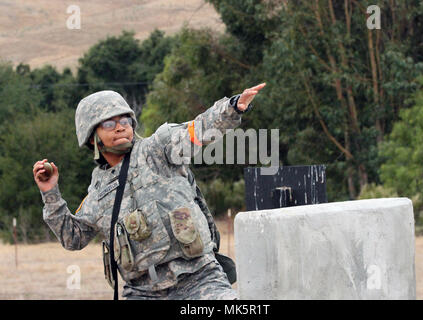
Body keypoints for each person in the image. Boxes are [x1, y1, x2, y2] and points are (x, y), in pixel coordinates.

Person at [33, 83, 266, 300]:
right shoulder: (97, 191)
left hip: (198, 280)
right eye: (108, 123)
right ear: (92, 138)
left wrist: (232, 107)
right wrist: (50, 192)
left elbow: (197, 131)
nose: (120, 127)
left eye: (125, 119)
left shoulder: (158, 149)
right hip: (141, 291)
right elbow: (72, 238)